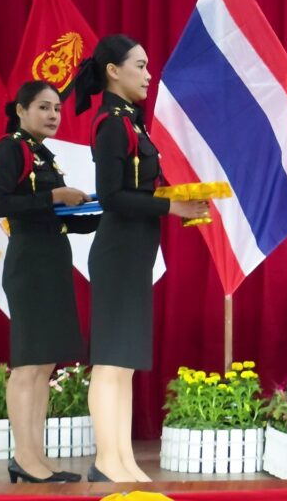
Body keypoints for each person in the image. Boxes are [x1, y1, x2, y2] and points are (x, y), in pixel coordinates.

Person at [71, 34, 208, 483]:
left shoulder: (132, 122)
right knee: (110, 361)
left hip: (134, 251)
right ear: (113, 71)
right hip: (118, 252)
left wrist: (182, 198)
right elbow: (112, 196)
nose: (149, 75)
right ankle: (105, 460)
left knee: (124, 363)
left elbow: (142, 189)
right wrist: (172, 206)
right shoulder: (112, 123)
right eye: (141, 65)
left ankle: (123, 458)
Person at [0, 80, 98, 483]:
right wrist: (56, 197)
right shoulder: (11, 147)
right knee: (28, 364)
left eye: (57, 108)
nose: (53, 115)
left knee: (45, 364)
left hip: (52, 261)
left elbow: (58, 218)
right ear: (21, 110)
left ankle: (36, 455)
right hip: (30, 265)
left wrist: (106, 211)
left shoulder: (42, 154)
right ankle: (24, 456)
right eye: (43, 107)